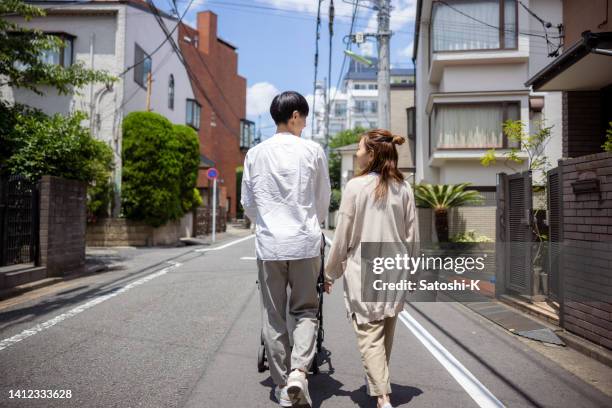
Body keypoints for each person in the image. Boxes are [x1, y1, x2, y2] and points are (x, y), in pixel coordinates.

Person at [241, 91, 331, 407]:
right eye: (303, 118)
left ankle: (282, 386)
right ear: (294, 116)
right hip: (305, 243)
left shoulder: (254, 154)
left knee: (274, 316)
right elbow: (322, 200)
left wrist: (267, 221)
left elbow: (248, 204)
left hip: (269, 246)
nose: (304, 124)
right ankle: (298, 374)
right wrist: (310, 222)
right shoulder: (312, 151)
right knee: (306, 310)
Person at [323, 129, 419, 408]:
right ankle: (378, 384)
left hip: (364, 268)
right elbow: (413, 235)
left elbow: (342, 236)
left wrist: (330, 273)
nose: (356, 152)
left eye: (361, 148)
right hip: (395, 268)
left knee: (369, 334)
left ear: (372, 153)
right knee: (385, 330)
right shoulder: (404, 187)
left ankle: (382, 397)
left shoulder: (356, 186)